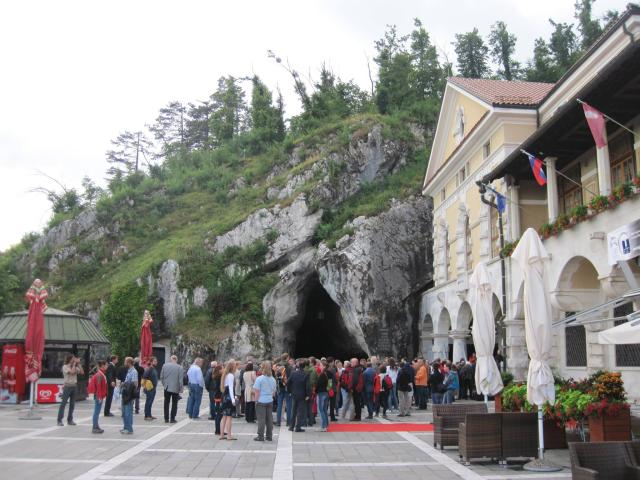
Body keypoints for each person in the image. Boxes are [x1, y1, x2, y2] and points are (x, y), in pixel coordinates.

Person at [57, 355, 84, 426]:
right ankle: (59, 420)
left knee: (72, 404)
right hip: (67, 386)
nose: (74, 360)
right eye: (73, 359)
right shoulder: (65, 366)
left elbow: (82, 372)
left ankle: (70, 420)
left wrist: (79, 364)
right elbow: (72, 372)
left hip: (74, 386)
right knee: (63, 404)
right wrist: (75, 364)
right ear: (70, 360)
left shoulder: (75, 366)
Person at [253, 360, 277, 441]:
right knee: (269, 419)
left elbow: (257, 392)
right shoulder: (273, 379)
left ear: (262, 368)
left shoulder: (259, 379)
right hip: (270, 400)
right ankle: (269, 436)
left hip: (261, 401)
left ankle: (260, 436)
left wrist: (256, 401)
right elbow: (274, 392)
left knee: (261, 419)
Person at [288, 359, 310, 432]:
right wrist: (308, 395)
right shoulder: (306, 374)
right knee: (300, 412)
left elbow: (288, 382)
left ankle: (291, 426)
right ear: (304, 367)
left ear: (298, 366)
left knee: (293, 411)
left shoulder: (293, 373)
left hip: (294, 394)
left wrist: (290, 391)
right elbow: (307, 386)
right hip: (302, 395)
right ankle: (298, 427)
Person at [160, 355, 183, 423]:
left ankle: (166, 418)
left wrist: (164, 384)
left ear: (171, 359)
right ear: (176, 360)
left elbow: (161, 377)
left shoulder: (165, 366)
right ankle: (172, 418)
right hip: (175, 388)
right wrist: (181, 388)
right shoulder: (180, 367)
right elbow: (180, 380)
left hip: (166, 387)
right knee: (174, 404)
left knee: (166, 403)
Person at [88, 360, 108, 433]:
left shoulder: (101, 373)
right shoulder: (99, 375)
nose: (107, 366)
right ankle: (95, 427)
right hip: (98, 395)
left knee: (97, 411)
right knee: (96, 411)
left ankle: (96, 426)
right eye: (106, 365)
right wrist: (99, 397)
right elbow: (98, 386)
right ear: (102, 366)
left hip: (99, 395)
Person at [220, 359, 237, 440]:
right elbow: (230, 387)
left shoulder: (225, 374)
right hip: (229, 397)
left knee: (224, 416)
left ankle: (222, 434)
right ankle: (229, 435)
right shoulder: (231, 375)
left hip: (224, 396)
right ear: (232, 366)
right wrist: (233, 399)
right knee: (229, 416)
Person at [120, 356, 138, 434]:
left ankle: (129, 429)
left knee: (128, 412)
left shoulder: (134, 371)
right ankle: (125, 427)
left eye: (125, 362)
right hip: (125, 393)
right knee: (124, 411)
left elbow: (135, 384)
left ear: (129, 363)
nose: (124, 363)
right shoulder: (129, 371)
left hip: (129, 395)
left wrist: (125, 384)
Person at [275, 354, 292, 427]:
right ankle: (288, 422)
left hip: (280, 387)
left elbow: (275, 377)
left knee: (279, 405)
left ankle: (278, 421)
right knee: (288, 405)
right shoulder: (289, 367)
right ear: (287, 358)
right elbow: (291, 378)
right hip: (287, 387)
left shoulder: (277, 366)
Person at [315, 362, 329, 431]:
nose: (319, 366)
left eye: (320, 365)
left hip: (321, 393)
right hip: (325, 393)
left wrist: (315, 391)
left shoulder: (322, 374)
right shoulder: (326, 373)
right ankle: (326, 425)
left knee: (321, 410)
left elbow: (318, 384)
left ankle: (323, 426)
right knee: (324, 410)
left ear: (324, 366)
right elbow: (329, 383)